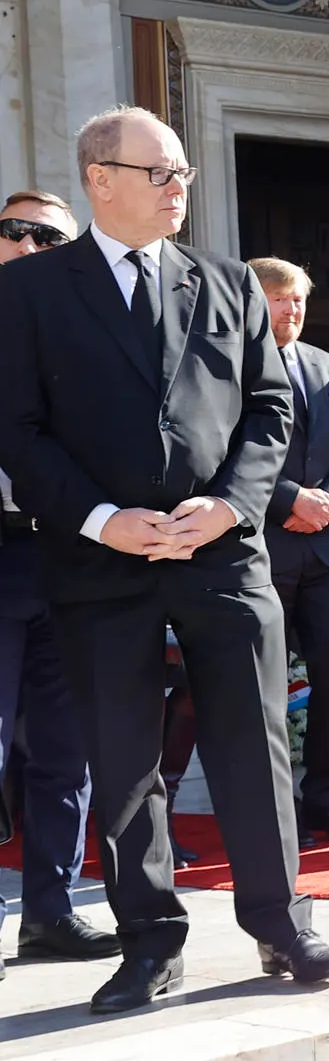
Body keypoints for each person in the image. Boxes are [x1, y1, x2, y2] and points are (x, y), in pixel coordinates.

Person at [0, 105, 329, 1013]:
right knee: (122, 759)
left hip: (220, 555)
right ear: (98, 180)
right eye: (160, 174)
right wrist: (100, 517)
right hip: (99, 560)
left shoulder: (227, 283)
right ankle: (150, 940)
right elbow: (17, 431)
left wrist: (231, 504)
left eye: (185, 172)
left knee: (253, 741)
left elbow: (272, 411)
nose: (179, 188)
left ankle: (282, 923)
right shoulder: (29, 294)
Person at [0, 188, 120, 982]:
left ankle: (49, 911)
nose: (30, 243)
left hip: (69, 557)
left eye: (49, 235)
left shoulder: (85, 336)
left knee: (65, 750)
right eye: (15, 230)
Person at [250, 257, 329, 841]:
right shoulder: (227, 363)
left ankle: (326, 796)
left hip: (328, 550)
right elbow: (220, 452)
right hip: (261, 548)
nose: (292, 309)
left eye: (297, 299)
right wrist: (291, 499)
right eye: (279, 299)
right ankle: (269, 807)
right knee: (260, 679)